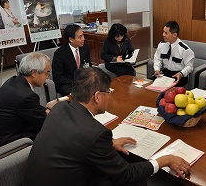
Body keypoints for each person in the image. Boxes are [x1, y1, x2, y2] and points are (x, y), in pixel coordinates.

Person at [23, 67, 190, 186]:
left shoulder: (59, 108)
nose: (109, 96)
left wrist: (109, 144)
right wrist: (163, 161)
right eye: (108, 92)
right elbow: (126, 175)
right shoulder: (95, 133)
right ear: (97, 96)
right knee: (135, 179)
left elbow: (73, 142)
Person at [0, 52, 51, 152]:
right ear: (34, 73)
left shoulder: (13, 81)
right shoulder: (26, 96)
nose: (48, 77)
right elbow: (45, 121)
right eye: (47, 73)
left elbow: (33, 111)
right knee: (51, 131)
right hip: (0, 143)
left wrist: (44, 112)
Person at [52, 24, 92, 96]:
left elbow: (88, 64)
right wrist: (76, 82)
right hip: (67, 84)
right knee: (78, 93)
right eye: (80, 37)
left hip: (83, 80)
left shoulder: (85, 47)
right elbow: (58, 77)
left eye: (83, 35)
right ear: (71, 39)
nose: (83, 39)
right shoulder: (60, 53)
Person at [152, 20, 195, 86]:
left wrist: (181, 74)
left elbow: (189, 67)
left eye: (166, 33)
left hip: (178, 75)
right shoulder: (162, 44)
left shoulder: (185, 49)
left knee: (167, 91)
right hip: (165, 73)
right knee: (148, 84)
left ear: (174, 34)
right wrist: (157, 69)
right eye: (163, 32)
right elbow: (157, 59)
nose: (163, 35)